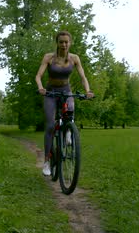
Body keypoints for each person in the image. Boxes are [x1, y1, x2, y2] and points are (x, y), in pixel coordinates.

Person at [35, 30, 94, 176]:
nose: (64, 44)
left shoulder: (74, 58)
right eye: (61, 42)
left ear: (70, 43)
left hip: (66, 91)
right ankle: (47, 162)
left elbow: (83, 77)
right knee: (49, 126)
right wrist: (40, 87)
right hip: (50, 93)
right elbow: (38, 76)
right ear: (57, 42)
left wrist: (88, 91)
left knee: (70, 109)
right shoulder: (49, 57)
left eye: (66, 42)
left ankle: (68, 131)